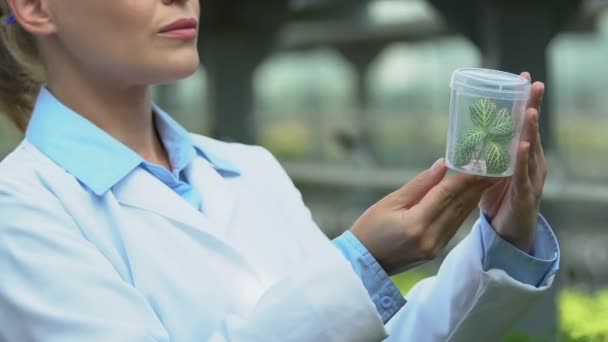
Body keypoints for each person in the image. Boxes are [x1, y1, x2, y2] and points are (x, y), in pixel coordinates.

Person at [0, 1, 559, 341]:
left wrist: (502, 237)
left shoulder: (251, 170)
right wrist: (364, 266)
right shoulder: (20, 210)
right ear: (35, 7)